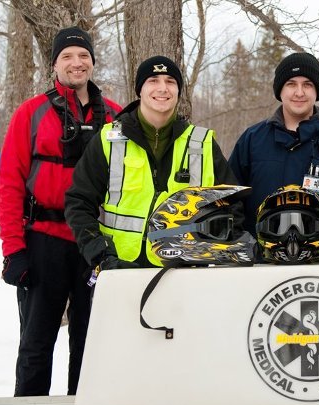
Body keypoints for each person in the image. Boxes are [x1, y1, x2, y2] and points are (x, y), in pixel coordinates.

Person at [0, 27, 122, 396]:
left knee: (90, 343)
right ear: (54, 64)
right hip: (43, 241)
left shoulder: (115, 117)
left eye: (83, 56)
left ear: (92, 63)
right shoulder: (30, 113)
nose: (76, 63)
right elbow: (9, 185)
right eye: (67, 56)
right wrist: (14, 250)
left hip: (94, 245)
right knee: (36, 344)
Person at [65, 55, 244, 272]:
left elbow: (232, 207)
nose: (163, 88)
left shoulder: (202, 143)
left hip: (184, 273)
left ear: (178, 91)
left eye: (170, 81)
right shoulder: (109, 140)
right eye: (153, 81)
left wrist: (211, 251)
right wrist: (99, 253)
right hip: (118, 269)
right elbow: (79, 203)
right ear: (140, 89)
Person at [228, 52, 319, 233]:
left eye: (307, 84)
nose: (299, 92)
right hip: (262, 258)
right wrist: (244, 245)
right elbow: (230, 202)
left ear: (317, 91)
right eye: (291, 84)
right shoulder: (252, 140)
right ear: (280, 90)